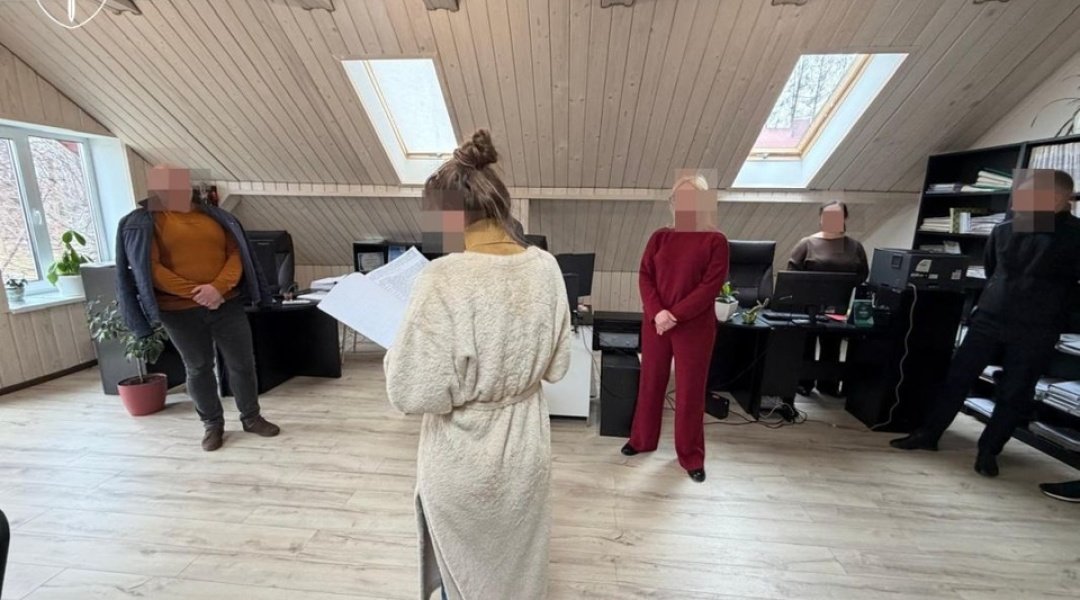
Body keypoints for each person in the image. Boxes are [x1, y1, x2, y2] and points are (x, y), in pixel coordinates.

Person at [384, 130, 572, 600]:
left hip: (462, 460)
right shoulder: (546, 267)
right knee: (518, 570)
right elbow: (558, 367)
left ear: (450, 217)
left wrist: (397, 350)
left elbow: (411, 391)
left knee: (464, 579)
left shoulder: (441, 277)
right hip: (526, 451)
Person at [891, 169, 1080, 477]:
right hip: (990, 317)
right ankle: (929, 434)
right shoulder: (1006, 229)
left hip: (1038, 326)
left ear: (1060, 199)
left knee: (1015, 391)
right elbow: (993, 269)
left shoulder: (1075, 235)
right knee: (957, 377)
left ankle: (989, 450)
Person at [116, 165, 279, 452]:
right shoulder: (141, 222)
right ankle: (212, 424)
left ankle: (251, 417)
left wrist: (218, 288)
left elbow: (236, 254)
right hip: (178, 311)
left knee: (242, 363)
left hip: (226, 303)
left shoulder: (216, 216)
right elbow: (148, 268)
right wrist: (197, 293)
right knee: (199, 367)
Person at [621, 175, 729, 483]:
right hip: (656, 323)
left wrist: (675, 315)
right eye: (677, 198)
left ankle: (691, 455)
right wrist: (658, 313)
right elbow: (645, 276)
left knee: (690, 392)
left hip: (693, 327)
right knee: (651, 383)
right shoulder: (660, 237)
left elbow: (710, 287)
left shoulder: (715, 240)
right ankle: (642, 440)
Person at [787, 200, 869, 397]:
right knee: (807, 343)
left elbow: (863, 274)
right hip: (809, 304)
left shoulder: (854, 246)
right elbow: (792, 273)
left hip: (840, 305)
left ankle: (828, 384)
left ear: (845, 218)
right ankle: (803, 382)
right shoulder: (807, 243)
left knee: (832, 344)